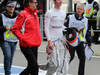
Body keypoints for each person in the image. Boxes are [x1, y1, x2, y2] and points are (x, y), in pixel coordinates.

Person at [12, 0, 42, 75]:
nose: (36, 4)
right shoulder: (23, 14)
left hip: (35, 44)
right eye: (35, 2)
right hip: (26, 45)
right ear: (30, 3)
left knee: (31, 67)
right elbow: (15, 29)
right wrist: (23, 39)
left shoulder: (35, 14)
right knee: (35, 67)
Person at [41, 0, 70, 75]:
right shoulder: (49, 13)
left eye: (61, 0)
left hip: (61, 40)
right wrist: (49, 41)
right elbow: (46, 28)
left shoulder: (63, 13)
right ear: (54, 1)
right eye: (58, 0)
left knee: (62, 64)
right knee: (55, 64)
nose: (60, 1)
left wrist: (68, 29)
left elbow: (61, 26)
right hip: (53, 41)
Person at [64, 3, 91, 75]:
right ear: (76, 9)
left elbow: (87, 32)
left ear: (83, 10)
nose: (79, 10)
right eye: (78, 9)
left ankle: (81, 73)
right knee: (70, 57)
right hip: (71, 42)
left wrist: (89, 42)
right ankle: (62, 70)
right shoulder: (70, 17)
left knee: (82, 59)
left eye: (80, 9)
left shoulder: (85, 20)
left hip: (80, 42)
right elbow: (64, 27)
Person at [0, 1, 18, 75]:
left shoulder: (17, 15)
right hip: (4, 40)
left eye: (12, 7)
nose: (11, 8)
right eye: (9, 7)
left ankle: (8, 71)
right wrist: (4, 28)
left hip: (14, 39)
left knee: (10, 58)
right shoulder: (1, 16)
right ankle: (7, 73)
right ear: (6, 7)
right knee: (8, 56)